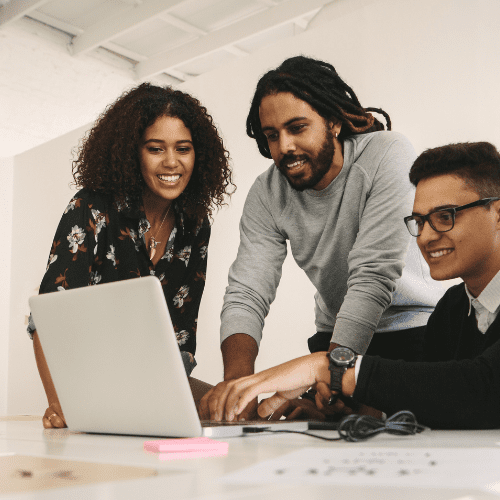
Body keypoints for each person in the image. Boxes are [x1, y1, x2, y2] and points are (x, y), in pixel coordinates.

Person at [199, 55, 444, 421]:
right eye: (272, 135)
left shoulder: (387, 152)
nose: (283, 147)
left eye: (297, 128)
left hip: (413, 333)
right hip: (333, 337)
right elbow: (247, 292)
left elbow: (373, 275)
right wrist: (238, 386)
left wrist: (334, 374)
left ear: (332, 121)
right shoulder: (267, 193)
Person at [212, 141, 500, 430]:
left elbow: (483, 387)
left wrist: (328, 367)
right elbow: (436, 403)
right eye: (419, 221)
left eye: (445, 217)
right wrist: (338, 410)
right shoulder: (453, 308)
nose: (425, 237)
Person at [28, 83, 234, 428]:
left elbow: (179, 337)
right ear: (131, 153)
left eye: (183, 149)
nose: (172, 162)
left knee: (236, 409)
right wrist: (59, 402)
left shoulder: (195, 224)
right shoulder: (91, 207)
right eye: (156, 149)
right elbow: (47, 320)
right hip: (84, 386)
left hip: (152, 386)